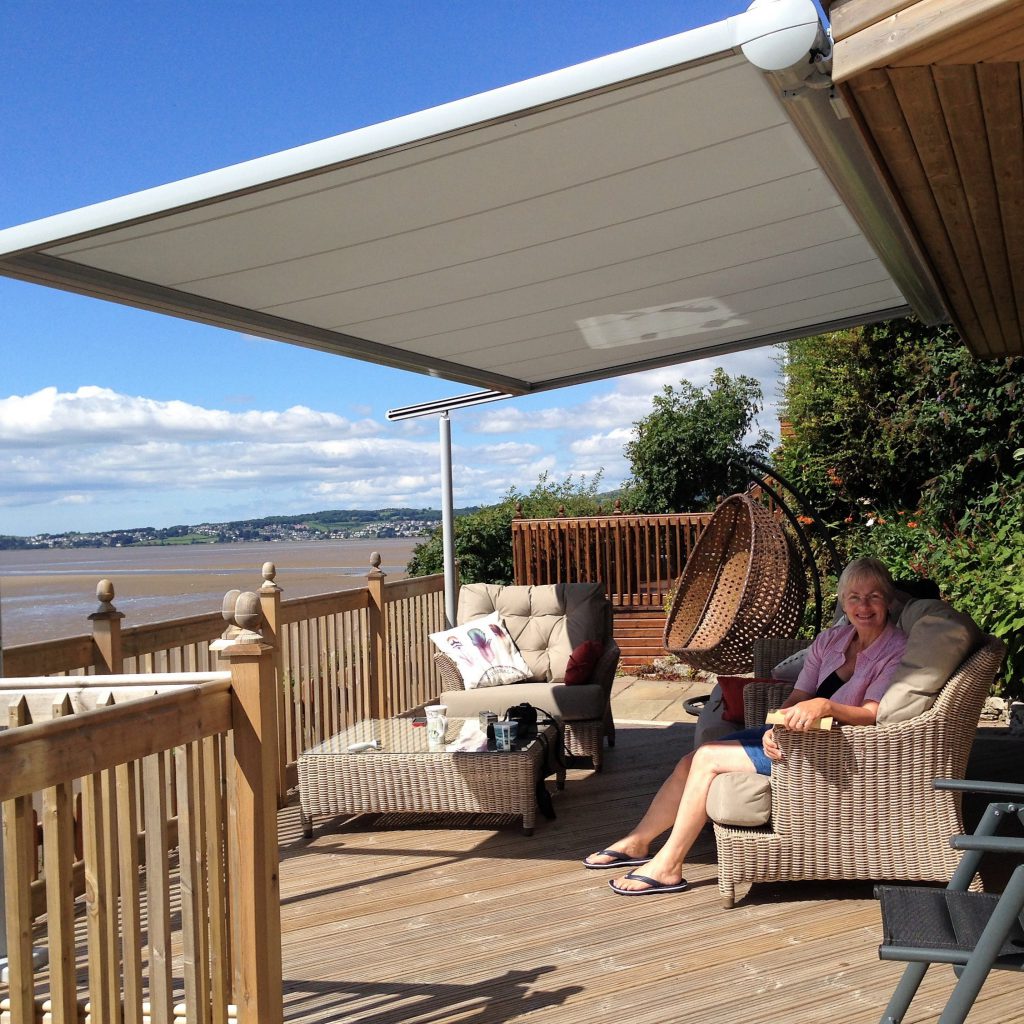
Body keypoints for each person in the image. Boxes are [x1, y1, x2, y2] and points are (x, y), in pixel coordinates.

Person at [584, 556, 909, 895]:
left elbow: (871, 713)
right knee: (689, 761)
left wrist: (826, 706)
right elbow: (799, 693)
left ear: (887, 599)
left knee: (708, 758)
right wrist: (776, 727)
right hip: (795, 735)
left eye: (873, 596)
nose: (864, 606)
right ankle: (639, 842)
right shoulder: (832, 640)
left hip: (831, 745)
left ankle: (669, 866)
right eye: (854, 597)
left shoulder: (895, 648)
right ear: (843, 602)